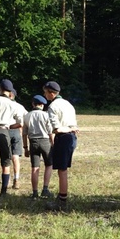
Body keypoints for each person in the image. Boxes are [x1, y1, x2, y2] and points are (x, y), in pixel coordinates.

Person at [42, 81, 78, 211]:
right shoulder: (68, 104)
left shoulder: (53, 106)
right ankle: (61, 196)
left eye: (45, 92)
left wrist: (68, 129)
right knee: (63, 169)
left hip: (64, 138)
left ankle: (62, 202)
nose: (44, 95)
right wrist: (72, 129)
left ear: (51, 93)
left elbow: (56, 129)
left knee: (62, 171)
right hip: (72, 138)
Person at [22, 94, 54, 200]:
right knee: (49, 165)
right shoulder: (46, 115)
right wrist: (53, 144)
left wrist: (25, 148)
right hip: (45, 141)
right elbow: (50, 132)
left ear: (33, 104)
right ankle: (45, 189)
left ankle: (35, 192)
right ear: (42, 105)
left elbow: (24, 133)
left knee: (35, 167)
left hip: (33, 142)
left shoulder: (27, 116)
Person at [8, 89, 28, 190]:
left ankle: (5, 180)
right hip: (16, 131)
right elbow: (26, 117)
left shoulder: (3, 105)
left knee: (6, 157)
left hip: (4, 131)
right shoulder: (20, 106)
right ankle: (16, 179)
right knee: (15, 157)